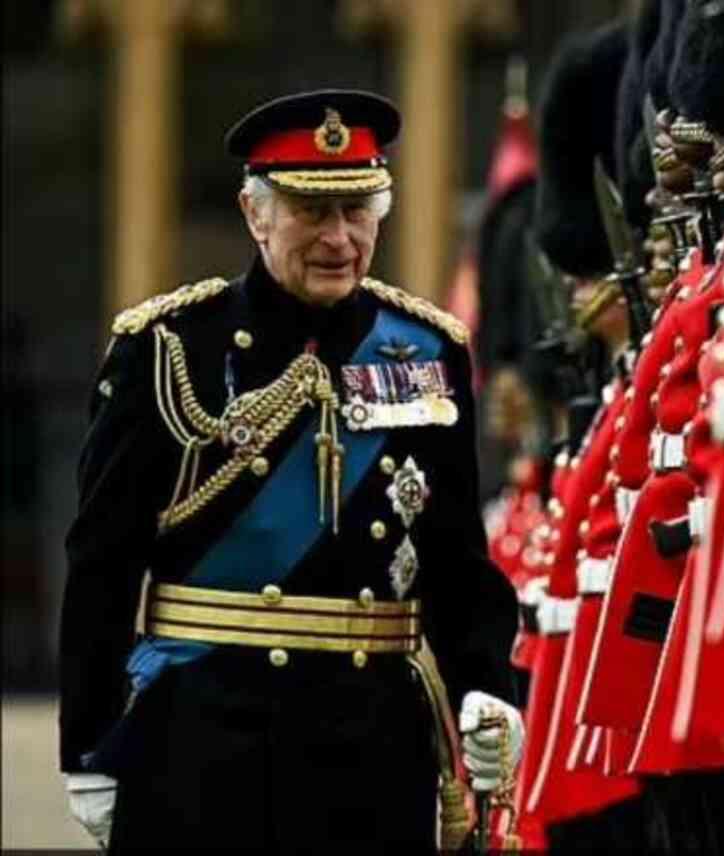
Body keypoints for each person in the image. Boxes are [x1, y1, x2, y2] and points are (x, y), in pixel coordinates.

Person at [59, 89, 524, 854]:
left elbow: (455, 563)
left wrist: (487, 693)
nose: (338, 238)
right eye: (312, 212)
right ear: (255, 215)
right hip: (204, 739)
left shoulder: (427, 351)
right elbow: (103, 562)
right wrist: (88, 748)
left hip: (373, 746)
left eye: (357, 212)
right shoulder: (172, 348)